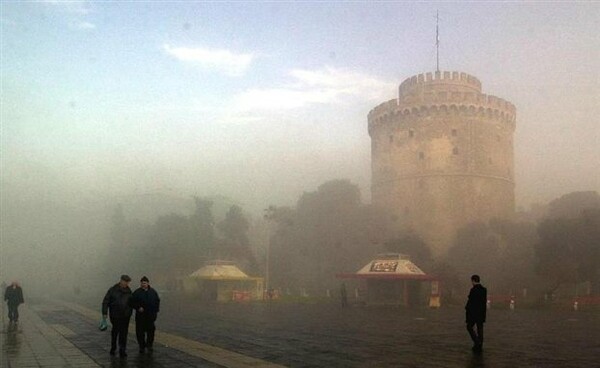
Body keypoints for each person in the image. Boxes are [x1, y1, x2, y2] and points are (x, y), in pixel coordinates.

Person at [102, 275, 133, 357]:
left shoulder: (129, 291)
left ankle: (122, 350)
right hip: (115, 315)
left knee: (124, 333)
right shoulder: (113, 290)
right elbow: (106, 301)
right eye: (125, 281)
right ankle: (113, 347)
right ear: (121, 281)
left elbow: (132, 303)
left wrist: (130, 312)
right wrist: (104, 313)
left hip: (125, 316)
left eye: (127, 282)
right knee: (115, 332)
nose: (126, 283)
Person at [130, 276, 160, 354]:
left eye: (145, 283)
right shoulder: (137, 292)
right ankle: (142, 346)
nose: (143, 284)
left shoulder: (153, 292)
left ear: (148, 283)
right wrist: (138, 307)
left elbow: (157, 301)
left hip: (150, 316)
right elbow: (131, 302)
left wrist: (155, 312)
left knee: (151, 331)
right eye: (142, 283)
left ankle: (149, 345)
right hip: (141, 316)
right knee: (140, 332)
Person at [465, 274, 487, 352]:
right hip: (481, 313)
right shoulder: (484, 290)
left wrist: (467, 309)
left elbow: (471, 302)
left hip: (473, 313)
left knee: (469, 327)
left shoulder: (473, 290)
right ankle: (480, 343)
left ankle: (476, 341)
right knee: (480, 328)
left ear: (473, 280)